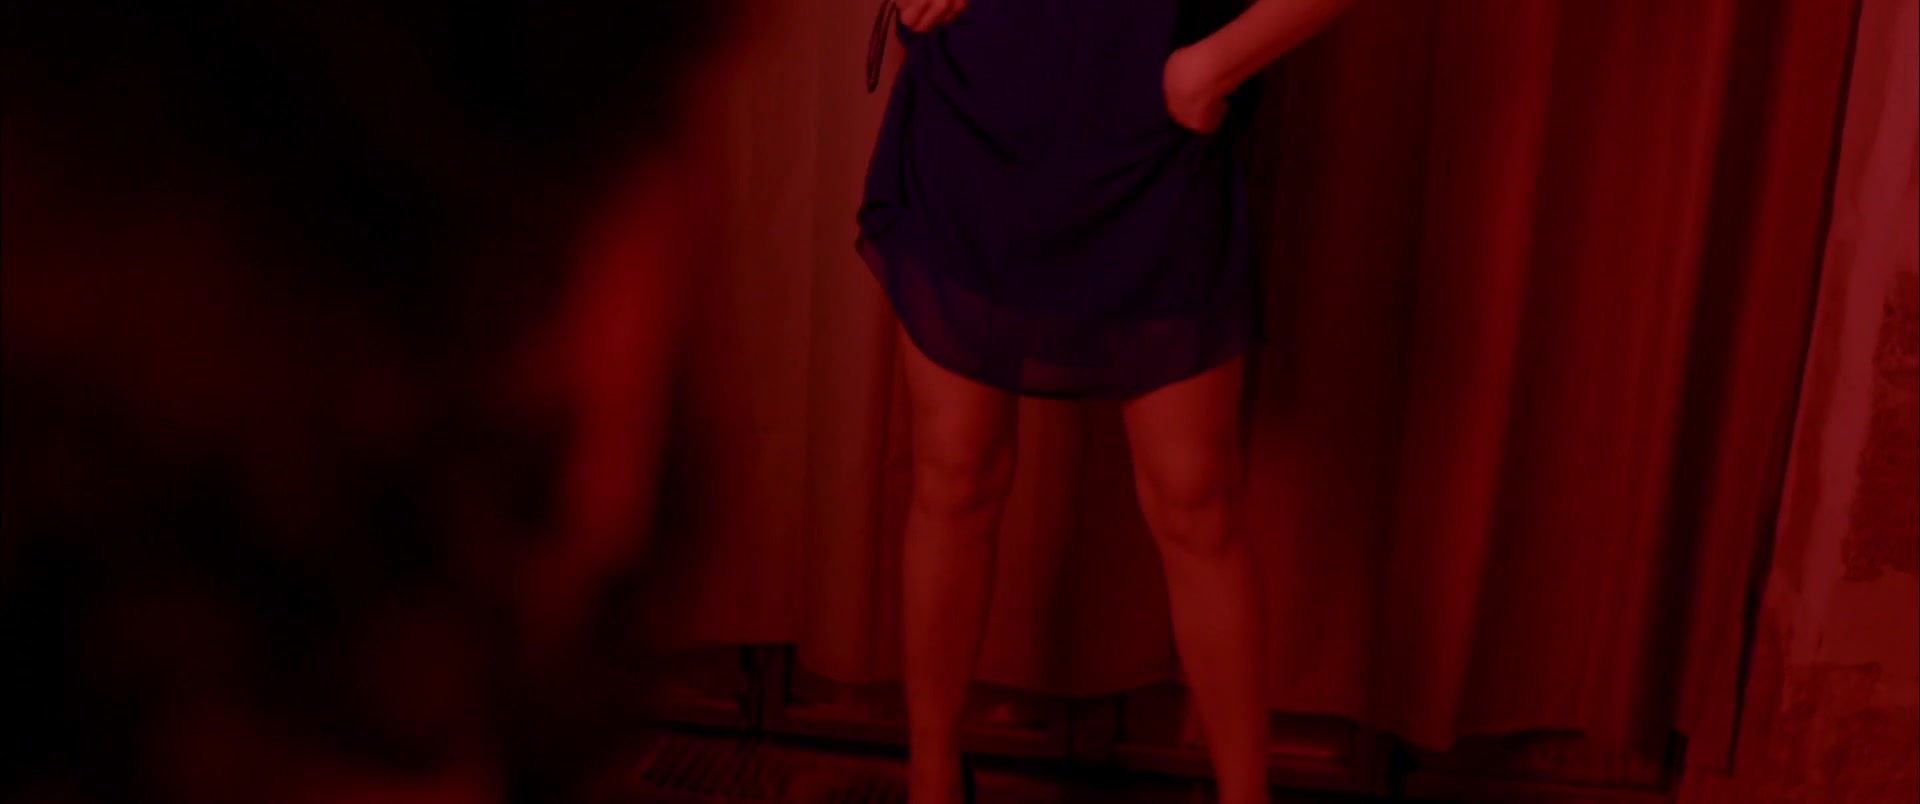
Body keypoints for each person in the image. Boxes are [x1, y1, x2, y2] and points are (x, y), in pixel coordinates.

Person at [855, 0, 1352, 802]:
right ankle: (933, 783)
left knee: (1196, 501)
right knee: (954, 475)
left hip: (1154, 133)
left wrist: (1209, 68)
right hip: (977, 114)